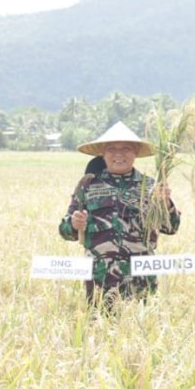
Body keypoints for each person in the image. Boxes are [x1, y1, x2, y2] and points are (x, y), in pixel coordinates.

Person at [59, 122, 181, 310]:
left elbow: (171, 228)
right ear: (103, 153)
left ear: (135, 152)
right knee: (99, 325)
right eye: (112, 149)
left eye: (126, 149)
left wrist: (166, 204)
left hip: (141, 278)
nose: (119, 154)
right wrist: (74, 224)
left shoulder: (150, 187)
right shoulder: (87, 186)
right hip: (100, 279)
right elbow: (65, 231)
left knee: (142, 325)